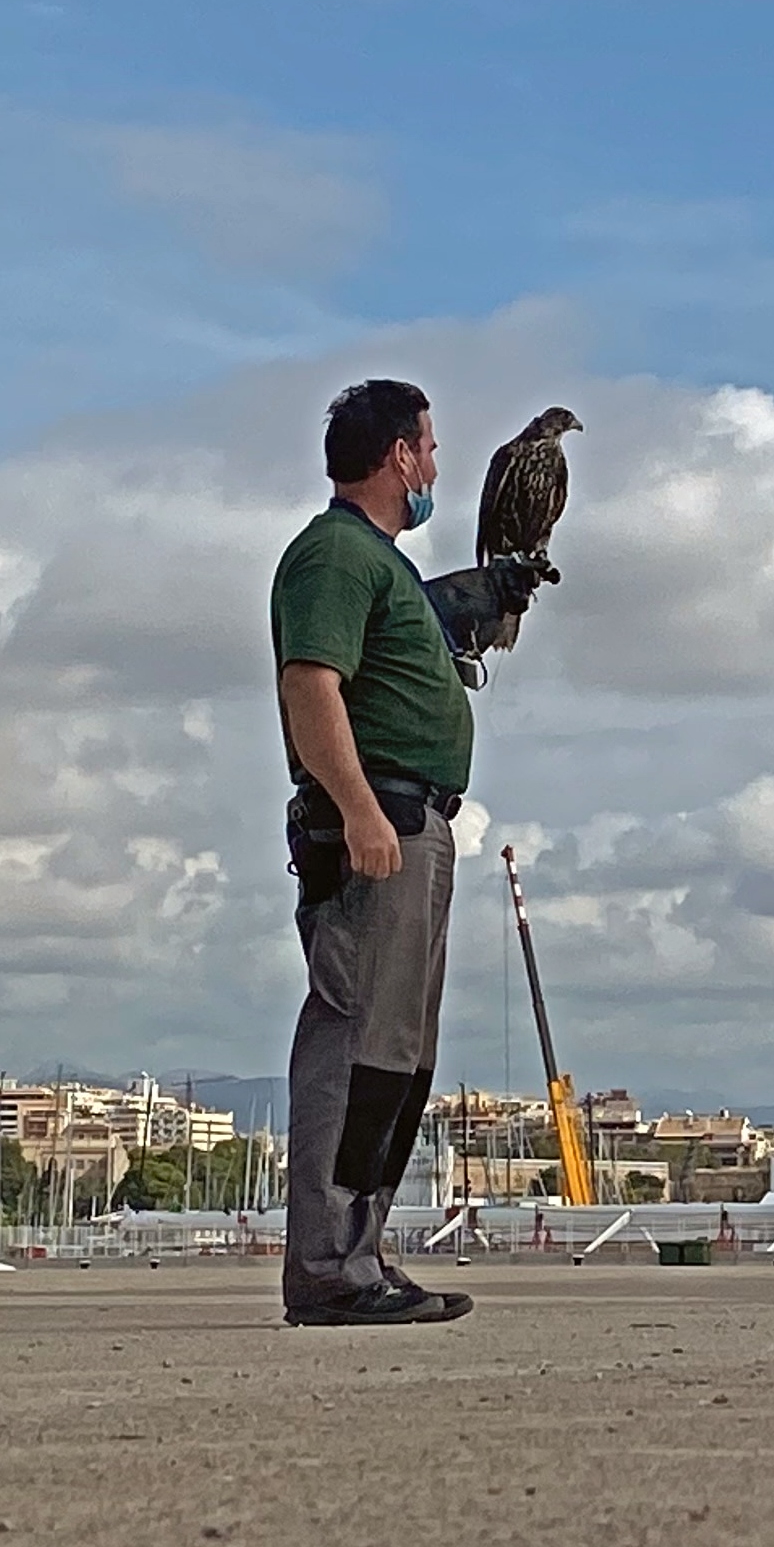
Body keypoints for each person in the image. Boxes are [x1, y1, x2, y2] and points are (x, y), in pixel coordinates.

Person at [270, 379, 539, 1326]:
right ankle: (328, 1270)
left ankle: (361, 1256)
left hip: (415, 823)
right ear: (397, 456)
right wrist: (358, 812)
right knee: (355, 1048)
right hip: (376, 825)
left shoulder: (375, 566)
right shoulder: (335, 555)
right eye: (428, 448)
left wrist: (459, 611)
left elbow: (384, 653)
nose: (435, 467)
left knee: (396, 1057)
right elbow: (313, 685)